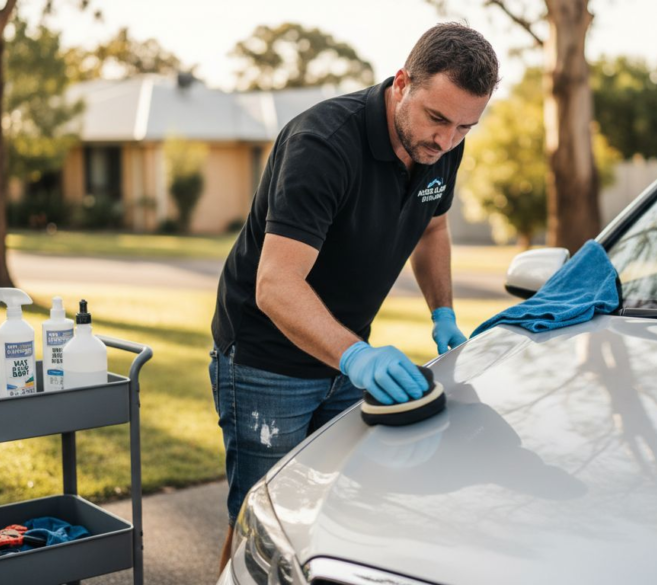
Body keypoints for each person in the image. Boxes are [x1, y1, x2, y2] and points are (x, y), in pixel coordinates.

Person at [209, 22, 499, 569]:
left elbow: (432, 225)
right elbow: (275, 285)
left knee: (336, 505)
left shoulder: (442, 145)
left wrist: (443, 313)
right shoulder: (322, 145)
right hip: (265, 360)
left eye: (465, 127)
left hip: (342, 352)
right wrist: (356, 356)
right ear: (401, 83)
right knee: (260, 519)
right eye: (437, 118)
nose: (447, 140)